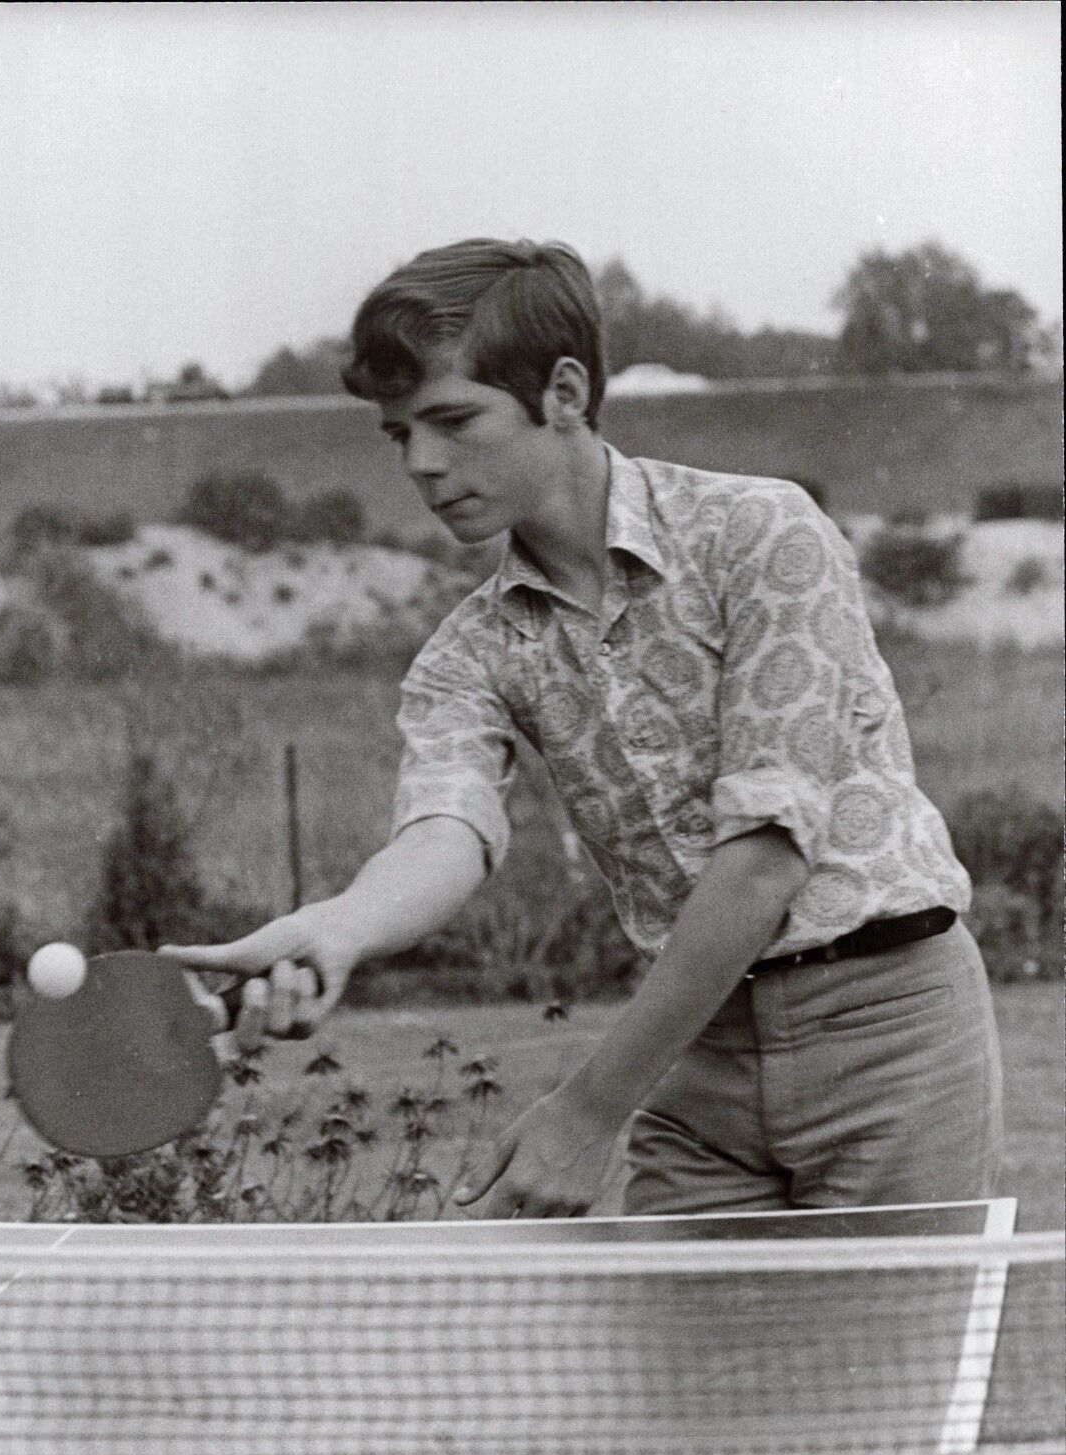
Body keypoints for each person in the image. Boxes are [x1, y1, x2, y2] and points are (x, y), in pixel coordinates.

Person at [162, 238, 1002, 1219]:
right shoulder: (465, 654)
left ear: (565, 392)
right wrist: (339, 928)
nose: (423, 464)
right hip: (696, 1058)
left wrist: (591, 1110)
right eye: (400, 435)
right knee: (683, 1382)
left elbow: (766, 862)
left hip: (890, 1031)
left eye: (452, 420)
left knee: (888, 1380)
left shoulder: (765, 536)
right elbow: (448, 830)